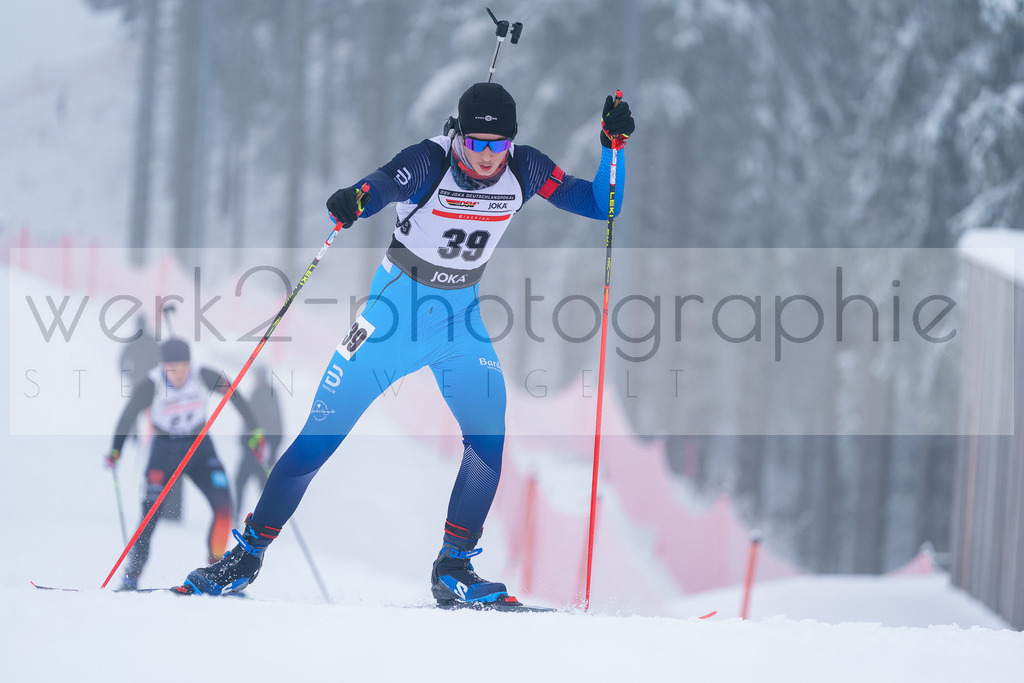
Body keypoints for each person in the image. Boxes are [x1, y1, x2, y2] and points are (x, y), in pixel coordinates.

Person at [183, 82, 635, 606]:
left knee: (489, 438)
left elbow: (602, 204)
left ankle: (454, 567)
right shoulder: (429, 161)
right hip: (391, 321)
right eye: (476, 144)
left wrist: (611, 148)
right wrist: (356, 199)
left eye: (498, 146)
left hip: (460, 322)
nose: (487, 157)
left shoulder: (526, 169)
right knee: (317, 440)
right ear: (458, 136)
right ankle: (244, 557)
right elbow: (379, 185)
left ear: (512, 143)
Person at [106, 337, 265, 590]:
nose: (179, 375)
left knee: (223, 506)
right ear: (163, 366)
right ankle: (131, 577)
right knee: (149, 516)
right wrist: (116, 449)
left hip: (199, 447)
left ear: (190, 364)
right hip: (165, 451)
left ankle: (217, 572)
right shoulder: (151, 384)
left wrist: (255, 429)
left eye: (183, 368)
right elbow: (128, 415)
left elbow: (233, 394)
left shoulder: (202, 376)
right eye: (172, 369)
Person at [233, 366, 284, 523]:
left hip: (257, 449)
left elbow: (254, 422)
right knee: (262, 486)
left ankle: (250, 517)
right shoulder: (268, 393)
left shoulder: (264, 394)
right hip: (262, 449)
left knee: (242, 481)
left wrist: (250, 442)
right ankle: (265, 518)